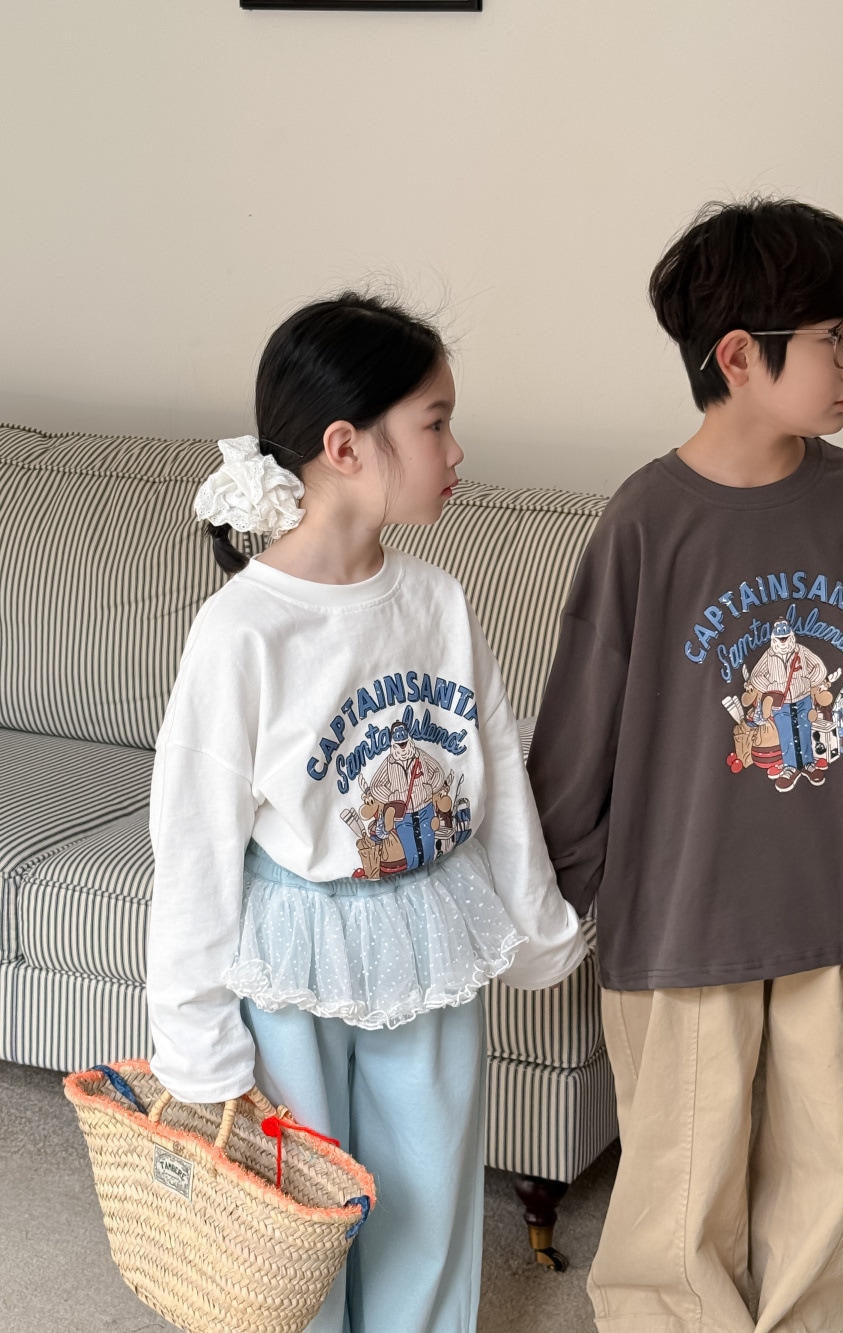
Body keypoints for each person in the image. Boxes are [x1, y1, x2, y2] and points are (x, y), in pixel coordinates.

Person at [527, 198, 843, 1333]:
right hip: (684, 900)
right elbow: (582, 720)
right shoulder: (646, 520)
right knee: (681, 1168)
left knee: (842, 1151)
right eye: (835, 336)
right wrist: (559, 885)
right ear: (737, 356)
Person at [145, 293, 587, 1333]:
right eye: (436, 422)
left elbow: (494, 772)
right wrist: (196, 1042)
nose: (456, 448)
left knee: (428, 1198)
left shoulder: (439, 601)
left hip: (427, 932)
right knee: (299, 1212)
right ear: (345, 447)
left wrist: (539, 923)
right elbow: (195, 843)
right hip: (291, 956)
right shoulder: (242, 631)